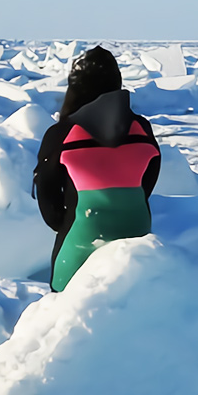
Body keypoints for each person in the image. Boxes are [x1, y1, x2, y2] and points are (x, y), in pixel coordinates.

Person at [33, 47, 162, 292]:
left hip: (81, 240)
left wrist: (68, 221)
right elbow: (149, 179)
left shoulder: (62, 134)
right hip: (137, 237)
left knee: (63, 310)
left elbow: (47, 195)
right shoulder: (141, 127)